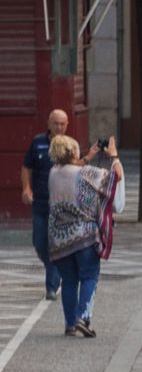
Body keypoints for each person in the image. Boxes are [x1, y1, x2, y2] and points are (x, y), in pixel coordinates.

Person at [46, 134, 123, 337]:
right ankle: (84, 317)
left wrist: (90, 154)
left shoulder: (53, 172)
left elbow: (74, 167)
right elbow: (115, 177)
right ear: (72, 152)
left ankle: (71, 323)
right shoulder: (86, 173)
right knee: (89, 276)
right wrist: (114, 156)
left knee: (69, 280)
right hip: (84, 236)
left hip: (59, 237)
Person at [19, 108, 65, 298]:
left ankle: (51, 286)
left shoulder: (70, 145)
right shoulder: (38, 143)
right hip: (40, 202)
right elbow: (26, 167)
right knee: (39, 242)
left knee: (54, 244)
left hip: (61, 205)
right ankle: (54, 268)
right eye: (56, 123)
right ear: (48, 124)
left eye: (62, 124)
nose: (59, 127)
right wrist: (26, 188)